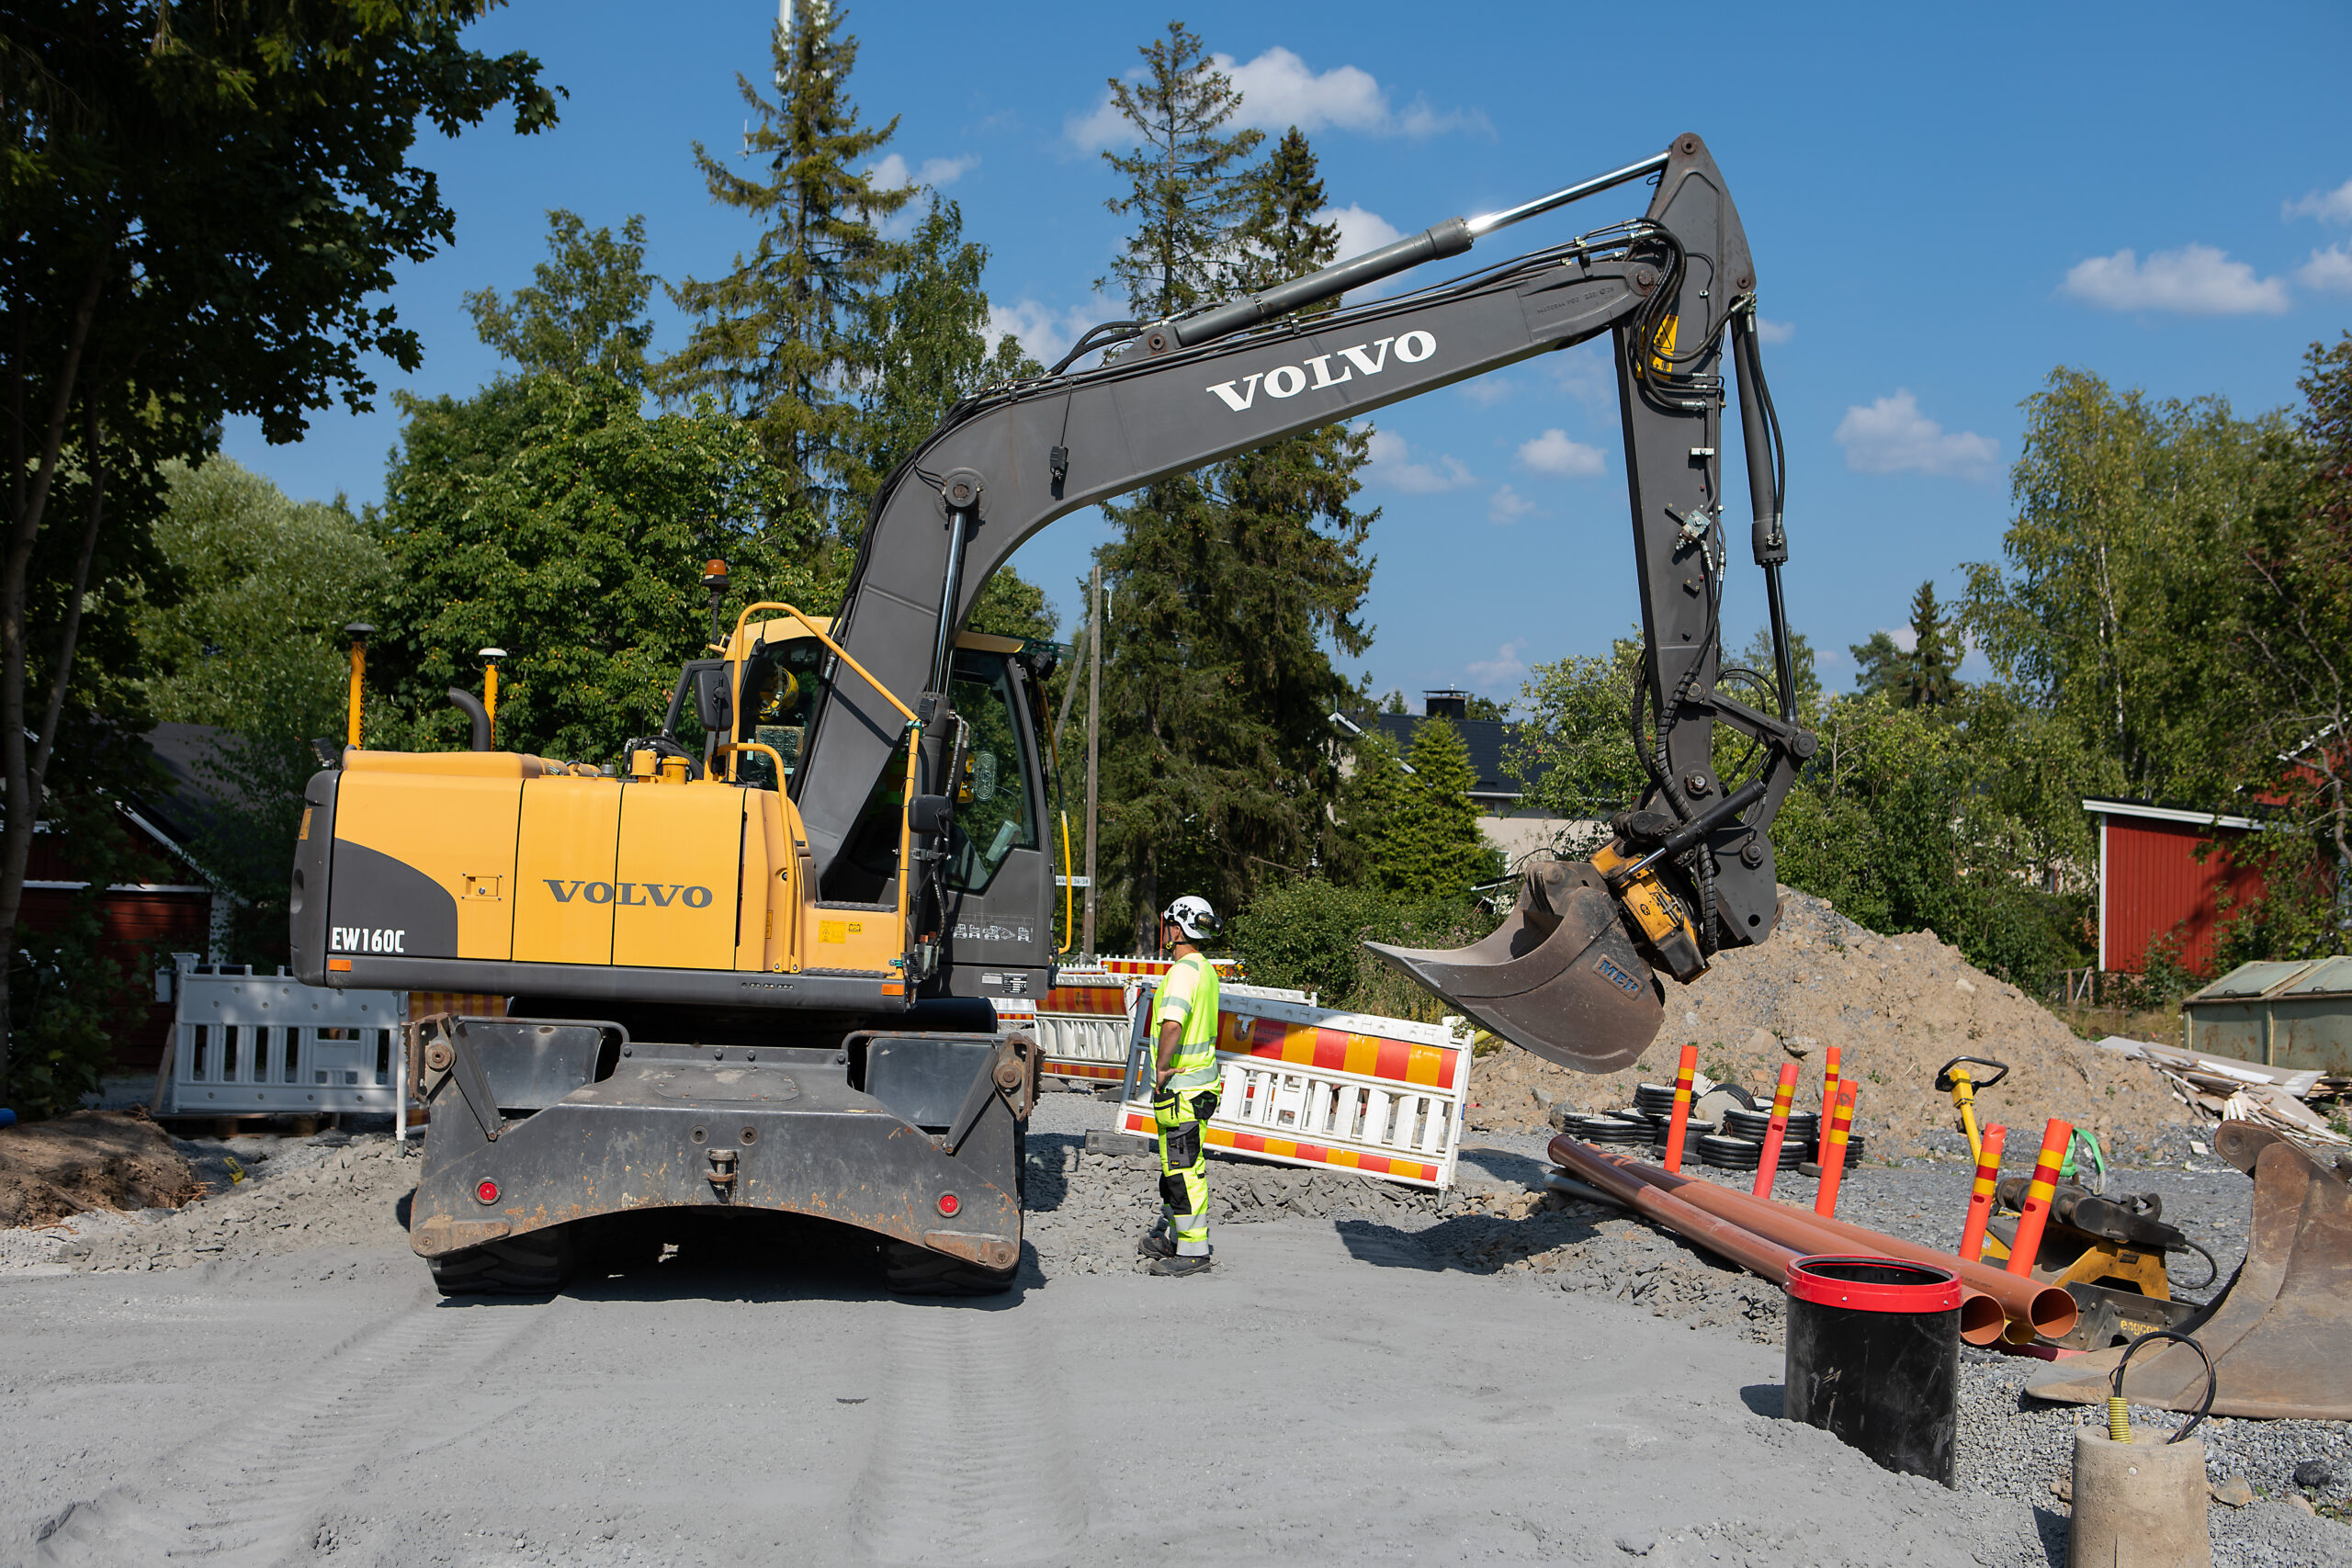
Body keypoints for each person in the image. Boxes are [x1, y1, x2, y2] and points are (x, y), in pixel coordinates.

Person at [1138, 895, 1223, 1278]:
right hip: (1198, 1086)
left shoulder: (1182, 973)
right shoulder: (1205, 970)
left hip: (1182, 1090)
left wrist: (1161, 1068)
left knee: (1184, 1170)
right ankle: (1175, 1237)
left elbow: (1172, 1024)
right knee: (1175, 1168)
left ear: (1176, 929)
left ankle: (1193, 1251)